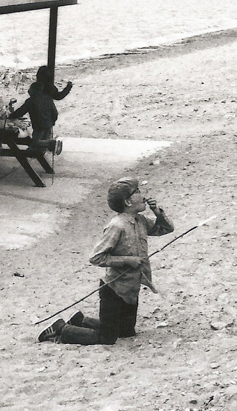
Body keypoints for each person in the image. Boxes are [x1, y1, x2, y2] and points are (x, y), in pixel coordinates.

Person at [38, 178, 173, 345]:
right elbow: (96, 257)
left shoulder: (140, 221)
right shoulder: (117, 226)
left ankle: (81, 320)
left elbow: (166, 229)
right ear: (127, 201)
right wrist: (127, 260)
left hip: (130, 289)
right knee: (107, 338)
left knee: (126, 332)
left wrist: (157, 211)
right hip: (113, 290)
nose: (142, 194)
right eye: (137, 192)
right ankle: (61, 329)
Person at [9, 65, 73, 155]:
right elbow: (57, 102)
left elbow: (21, 111)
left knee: (35, 142)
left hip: (38, 124)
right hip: (48, 122)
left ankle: (52, 144)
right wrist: (53, 121)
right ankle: (49, 147)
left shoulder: (32, 98)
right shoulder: (49, 91)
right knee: (43, 142)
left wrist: (11, 116)